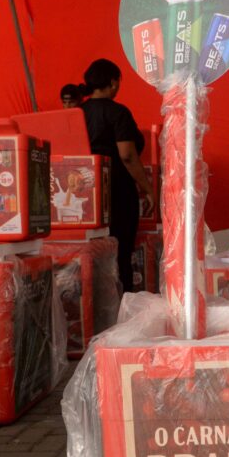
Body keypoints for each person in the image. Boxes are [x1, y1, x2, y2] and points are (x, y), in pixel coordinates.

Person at [77, 59, 154, 293]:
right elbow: (128, 155)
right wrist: (148, 189)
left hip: (84, 194)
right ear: (112, 83)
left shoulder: (77, 113)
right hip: (118, 190)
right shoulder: (118, 113)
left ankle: (93, 309)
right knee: (121, 254)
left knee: (90, 255)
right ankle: (122, 308)